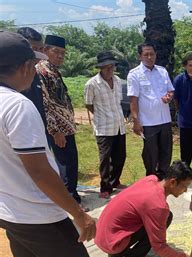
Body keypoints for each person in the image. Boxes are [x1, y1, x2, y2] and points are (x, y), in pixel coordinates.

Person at [0, 31, 128, 257]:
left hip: (10, 212)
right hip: (38, 213)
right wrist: (79, 212)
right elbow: (41, 172)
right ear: (26, 66)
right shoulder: (17, 106)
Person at [95, 161, 192, 257]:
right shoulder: (158, 206)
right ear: (172, 182)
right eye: (185, 186)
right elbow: (159, 247)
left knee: (161, 216)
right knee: (166, 217)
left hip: (103, 236)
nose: (186, 190)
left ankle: (117, 255)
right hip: (113, 243)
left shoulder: (150, 179)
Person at [37, 35, 83, 207]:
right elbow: (45, 103)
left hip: (67, 127)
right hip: (59, 130)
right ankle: (70, 201)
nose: (60, 56)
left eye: (63, 53)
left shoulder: (54, 70)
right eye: (56, 52)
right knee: (65, 165)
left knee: (71, 162)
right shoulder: (42, 71)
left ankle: (72, 195)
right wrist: (55, 131)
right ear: (45, 50)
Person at [127, 43, 174, 178]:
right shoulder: (134, 74)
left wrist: (169, 96)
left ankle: (163, 176)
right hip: (148, 121)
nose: (149, 57)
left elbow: (170, 90)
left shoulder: (162, 71)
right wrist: (136, 121)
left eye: (151, 54)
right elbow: (133, 101)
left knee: (166, 151)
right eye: (145, 54)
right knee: (150, 153)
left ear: (155, 55)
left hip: (164, 119)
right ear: (139, 56)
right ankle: (151, 177)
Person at [84, 51, 127, 199]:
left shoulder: (117, 81)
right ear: (100, 68)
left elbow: (118, 102)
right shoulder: (92, 84)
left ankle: (115, 181)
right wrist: (101, 115)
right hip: (103, 127)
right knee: (105, 159)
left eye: (112, 67)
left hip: (119, 125)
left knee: (120, 156)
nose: (110, 70)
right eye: (106, 67)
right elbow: (88, 104)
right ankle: (105, 186)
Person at [16, 27, 53, 146]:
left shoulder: (35, 73)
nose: (38, 54)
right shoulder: (12, 76)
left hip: (39, 133)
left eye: (40, 49)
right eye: (34, 49)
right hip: (21, 137)